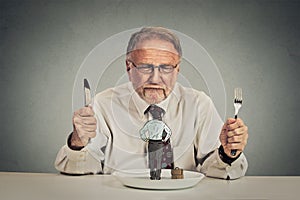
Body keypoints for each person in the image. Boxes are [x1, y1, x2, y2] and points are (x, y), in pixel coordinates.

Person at [55, 27, 249, 180]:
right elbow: (81, 167)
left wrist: (227, 153)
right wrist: (78, 142)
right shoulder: (105, 104)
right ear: (129, 67)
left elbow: (215, 168)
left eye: (165, 68)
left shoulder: (199, 104)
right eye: (146, 67)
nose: (155, 78)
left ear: (177, 70)